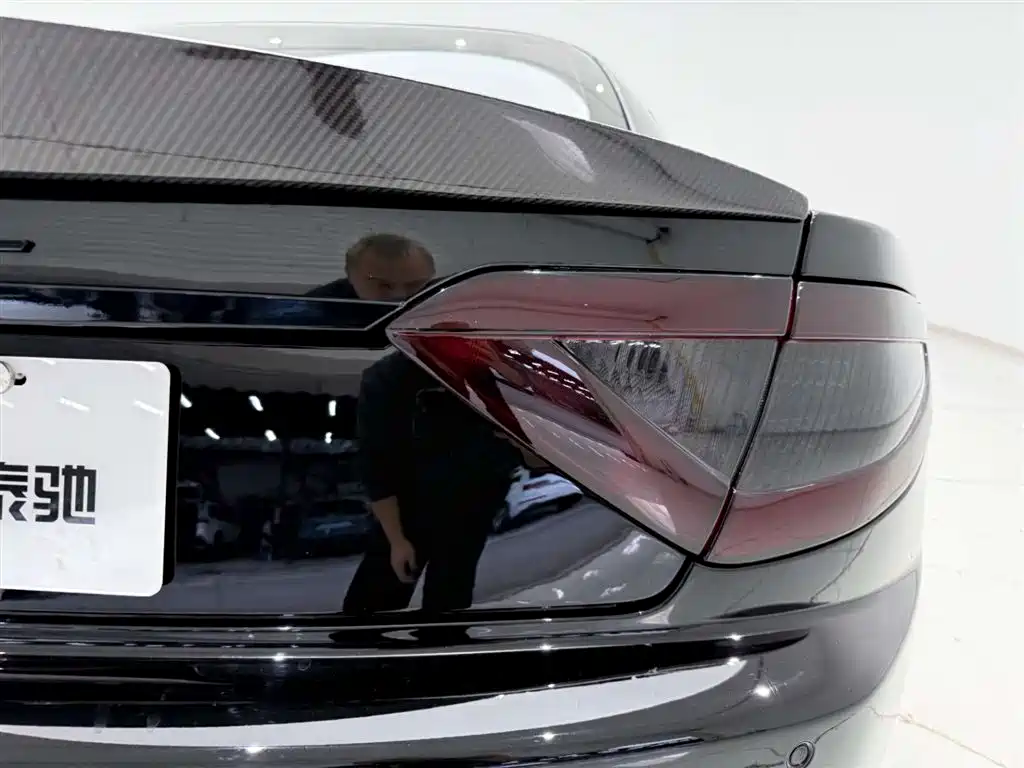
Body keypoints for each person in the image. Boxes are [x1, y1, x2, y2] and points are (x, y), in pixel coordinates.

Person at [342, 349, 522, 615]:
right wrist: (397, 539)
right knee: (373, 608)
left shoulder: (492, 373)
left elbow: (518, 451)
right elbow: (376, 464)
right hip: (410, 511)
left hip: (470, 511)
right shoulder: (391, 376)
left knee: (448, 603)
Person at [307, 233, 436, 301]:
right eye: (383, 285)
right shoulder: (315, 308)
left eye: (414, 285)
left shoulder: (444, 305)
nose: (399, 295)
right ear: (350, 276)